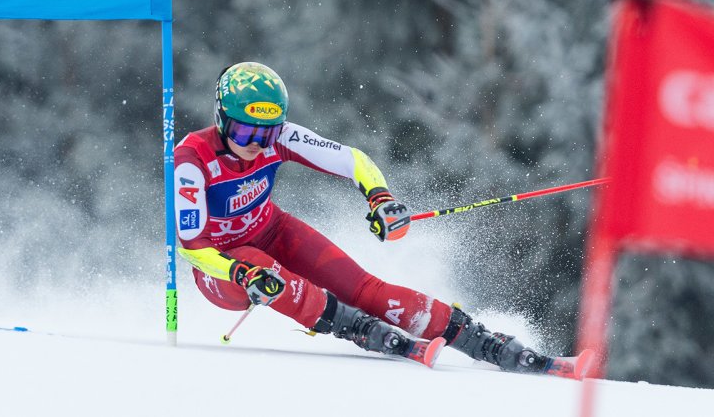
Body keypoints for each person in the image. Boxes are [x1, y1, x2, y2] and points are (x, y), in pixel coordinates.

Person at [174, 61, 549, 372]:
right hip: (219, 269)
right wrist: (239, 272)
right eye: (244, 130)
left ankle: (478, 338)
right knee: (259, 267)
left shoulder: (282, 137)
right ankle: (351, 325)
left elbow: (352, 159)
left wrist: (380, 198)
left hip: (271, 230)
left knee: (364, 288)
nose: (256, 144)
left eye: (268, 134)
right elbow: (191, 246)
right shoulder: (192, 160)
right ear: (222, 120)